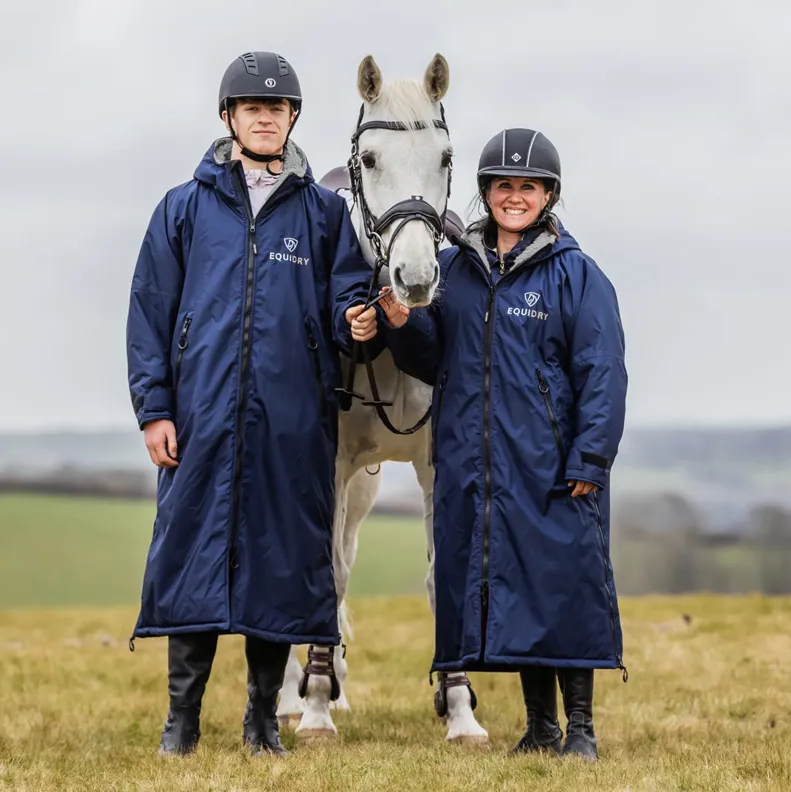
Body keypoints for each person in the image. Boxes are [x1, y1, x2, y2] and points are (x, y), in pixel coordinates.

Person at [126, 51, 380, 757]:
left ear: (293, 118)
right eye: (252, 107)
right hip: (199, 421)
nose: (266, 117)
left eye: (277, 108)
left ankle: (263, 719)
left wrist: (355, 320)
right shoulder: (182, 208)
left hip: (292, 425)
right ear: (229, 117)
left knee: (281, 566)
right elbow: (150, 313)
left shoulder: (324, 213)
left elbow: (345, 298)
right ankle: (181, 720)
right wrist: (155, 410)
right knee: (190, 559)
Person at [378, 128, 628, 761]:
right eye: (503, 186)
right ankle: (540, 728)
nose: (515, 197)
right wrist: (402, 324)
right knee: (518, 597)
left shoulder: (578, 275)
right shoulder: (457, 270)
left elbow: (602, 373)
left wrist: (590, 457)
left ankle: (581, 728)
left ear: (549, 196)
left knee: (565, 590)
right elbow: (434, 359)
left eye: (528, 187)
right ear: (485, 192)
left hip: (554, 467)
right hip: (480, 467)